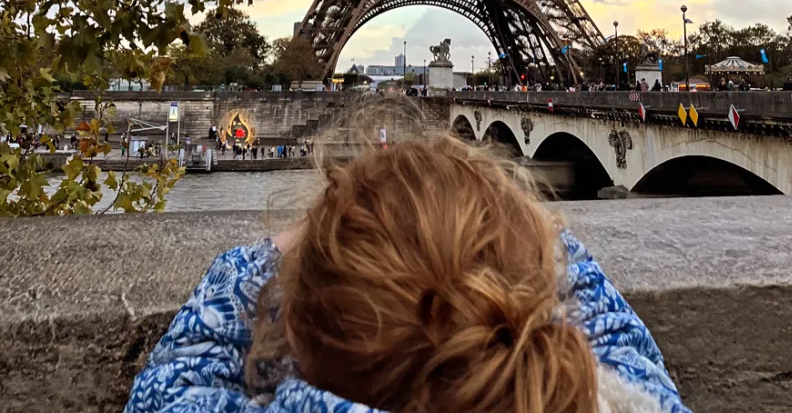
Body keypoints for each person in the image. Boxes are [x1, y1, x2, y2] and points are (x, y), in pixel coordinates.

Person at [125, 135, 691, 413]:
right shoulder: (621, 401)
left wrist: (261, 260)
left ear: (290, 323)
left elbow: (180, 373)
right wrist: (517, 228)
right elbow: (615, 333)